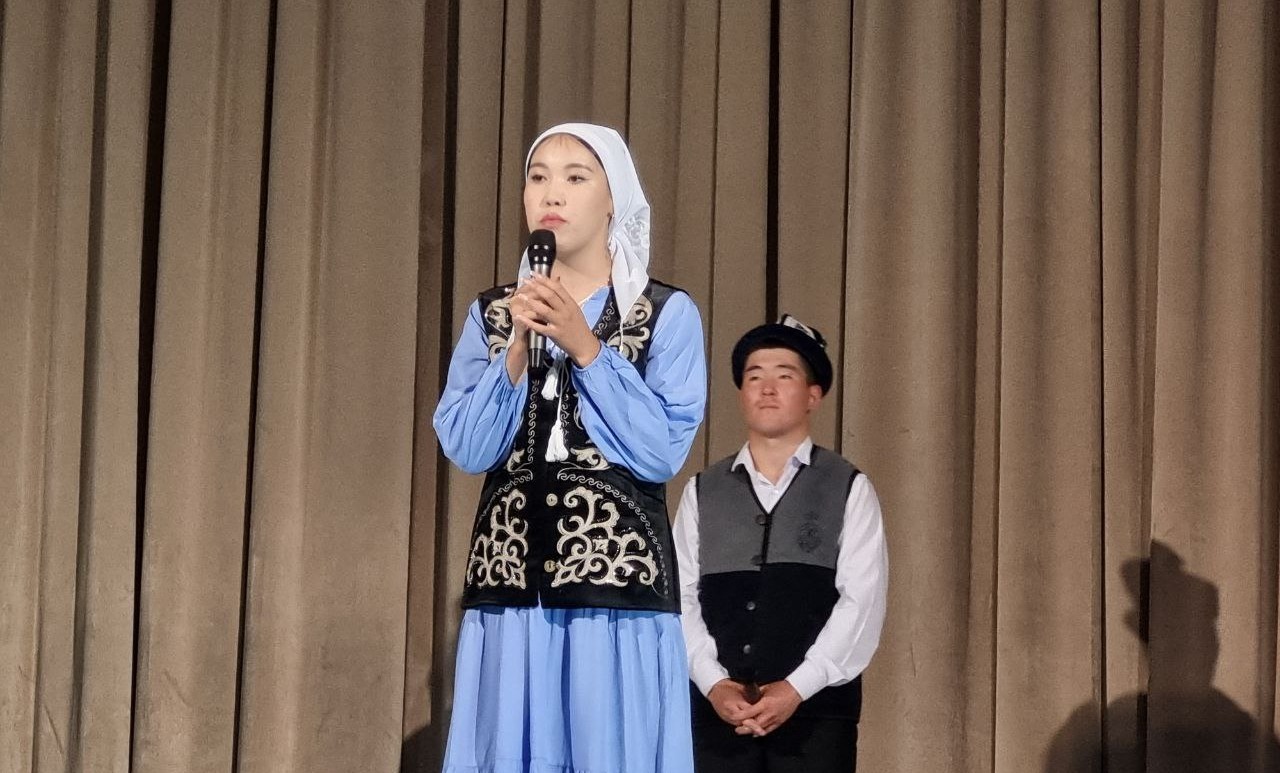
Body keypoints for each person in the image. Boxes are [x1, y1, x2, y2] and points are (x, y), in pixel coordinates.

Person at [433, 122, 707, 773]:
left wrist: (586, 347)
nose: (551, 192)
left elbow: (661, 449)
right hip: (510, 595)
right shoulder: (493, 314)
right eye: (538, 177)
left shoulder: (664, 313)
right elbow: (466, 445)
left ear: (614, 200)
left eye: (576, 177)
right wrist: (517, 349)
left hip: (615, 594)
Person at [673, 315, 888, 773]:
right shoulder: (703, 490)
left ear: (813, 395)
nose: (767, 389)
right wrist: (713, 684)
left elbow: (862, 601)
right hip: (717, 719)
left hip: (816, 719)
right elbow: (680, 597)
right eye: (755, 377)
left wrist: (797, 687)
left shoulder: (847, 486)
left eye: (784, 376)